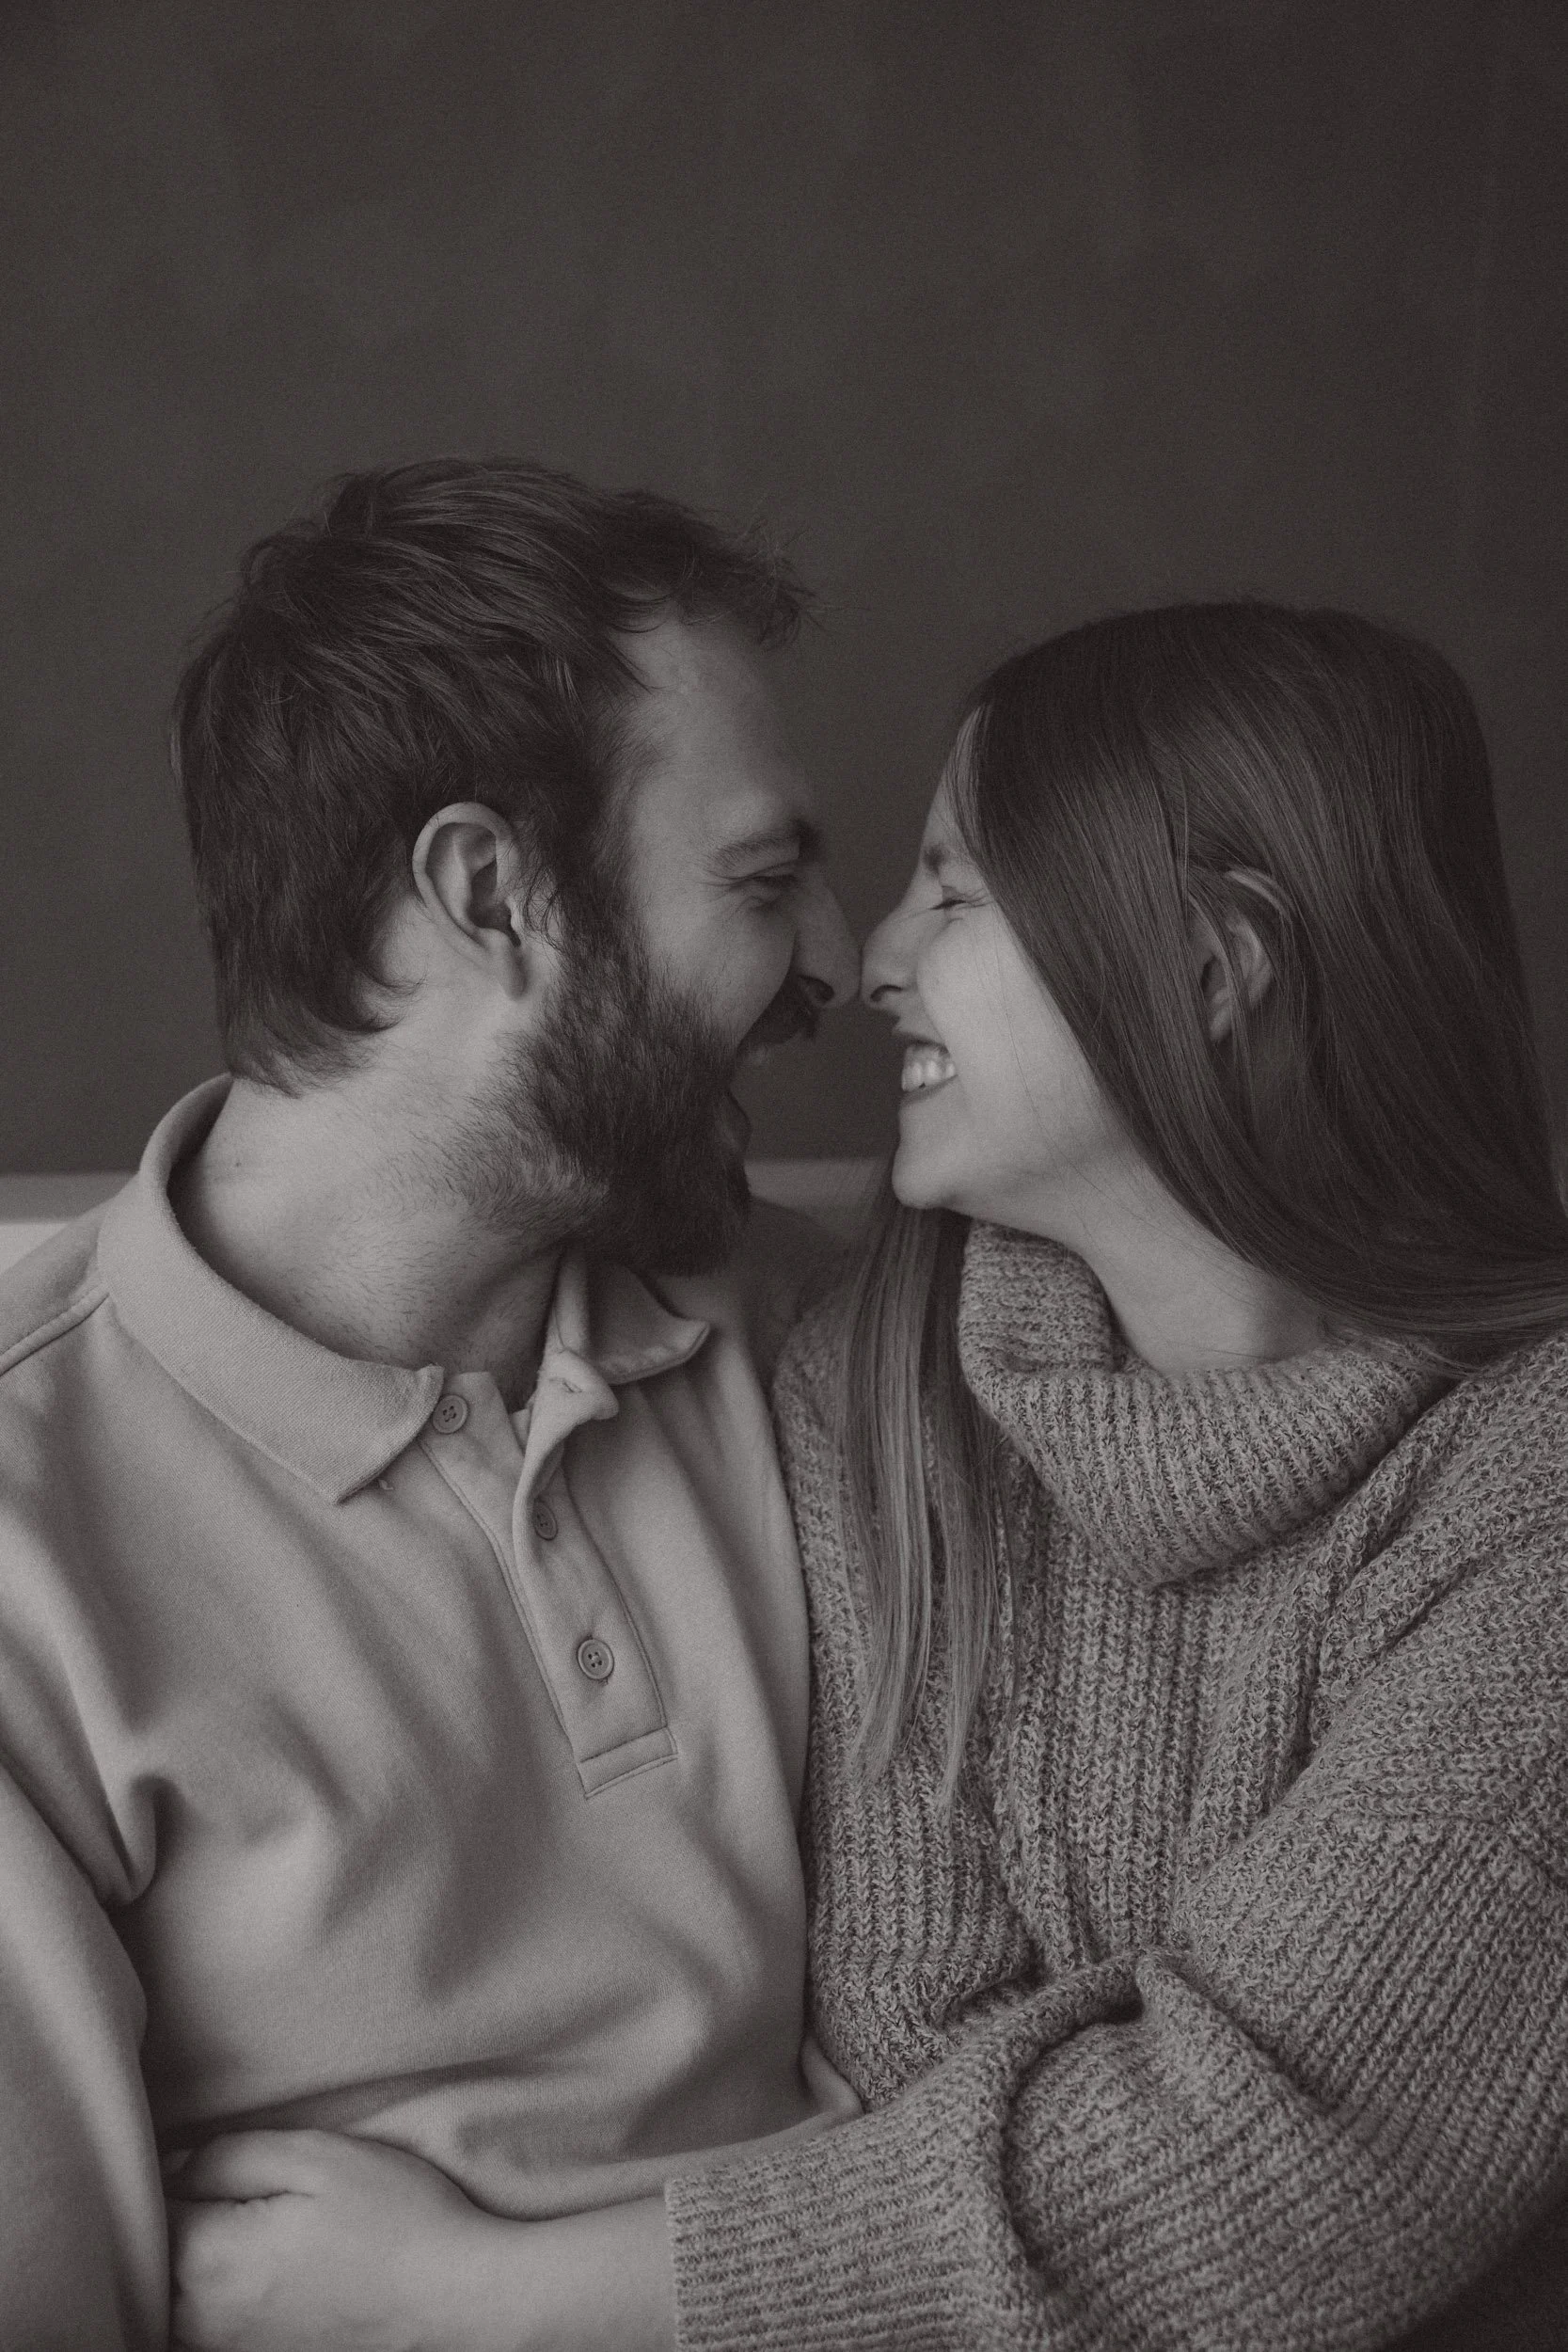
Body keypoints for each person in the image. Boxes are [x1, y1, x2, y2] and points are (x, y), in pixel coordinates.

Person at [171, 601, 1568, 2351]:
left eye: (954, 894)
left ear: (1211, 967)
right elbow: (900, 2054)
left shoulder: (1529, 1490)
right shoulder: (886, 1385)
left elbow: (1285, 2165)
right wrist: (1097, 2131)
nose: (872, 960)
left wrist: (473, 2294)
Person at [0, 457, 869, 2351]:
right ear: (489, 893)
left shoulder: (823, 1336)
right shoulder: (24, 1545)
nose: (841, 959)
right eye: (759, 878)